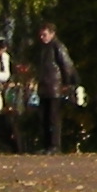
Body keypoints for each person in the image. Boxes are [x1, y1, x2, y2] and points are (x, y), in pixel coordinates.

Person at [30, 22, 78, 155]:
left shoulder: (58, 46)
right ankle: (46, 146)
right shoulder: (43, 49)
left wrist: (67, 84)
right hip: (45, 87)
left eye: (44, 34)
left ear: (52, 34)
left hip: (55, 87)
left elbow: (67, 65)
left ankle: (55, 146)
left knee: (54, 118)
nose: (42, 37)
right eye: (41, 35)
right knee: (44, 118)